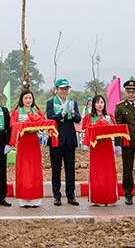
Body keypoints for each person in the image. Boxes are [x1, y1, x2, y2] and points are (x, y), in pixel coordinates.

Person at [45, 78, 81, 206]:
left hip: (70, 139)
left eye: (66, 89)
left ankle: (71, 196)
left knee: (70, 169)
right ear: (56, 90)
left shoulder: (72, 102)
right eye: (62, 89)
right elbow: (49, 117)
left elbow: (77, 119)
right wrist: (61, 114)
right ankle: (57, 196)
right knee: (56, 169)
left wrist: (72, 112)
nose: (64, 91)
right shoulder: (51, 103)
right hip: (56, 138)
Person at [82, 94, 119, 205]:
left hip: (107, 146)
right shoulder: (89, 117)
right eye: (97, 102)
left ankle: (110, 197)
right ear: (93, 104)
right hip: (96, 147)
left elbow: (115, 129)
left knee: (108, 170)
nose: (100, 104)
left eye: (102, 102)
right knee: (97, 170)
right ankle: (97, 198)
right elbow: (87, 130)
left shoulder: (109, 117)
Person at [11, 88, 45, 208]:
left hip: (34, 142)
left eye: (30, 98)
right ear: (21, 99)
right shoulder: (16, 113)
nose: (28, 100)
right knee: (24, 168)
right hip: (23, 142)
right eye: (26, 98)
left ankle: (35, 198)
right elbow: (13, 126)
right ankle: (24, 199)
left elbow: (43, 125)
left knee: (35, 168)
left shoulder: (37, 112)